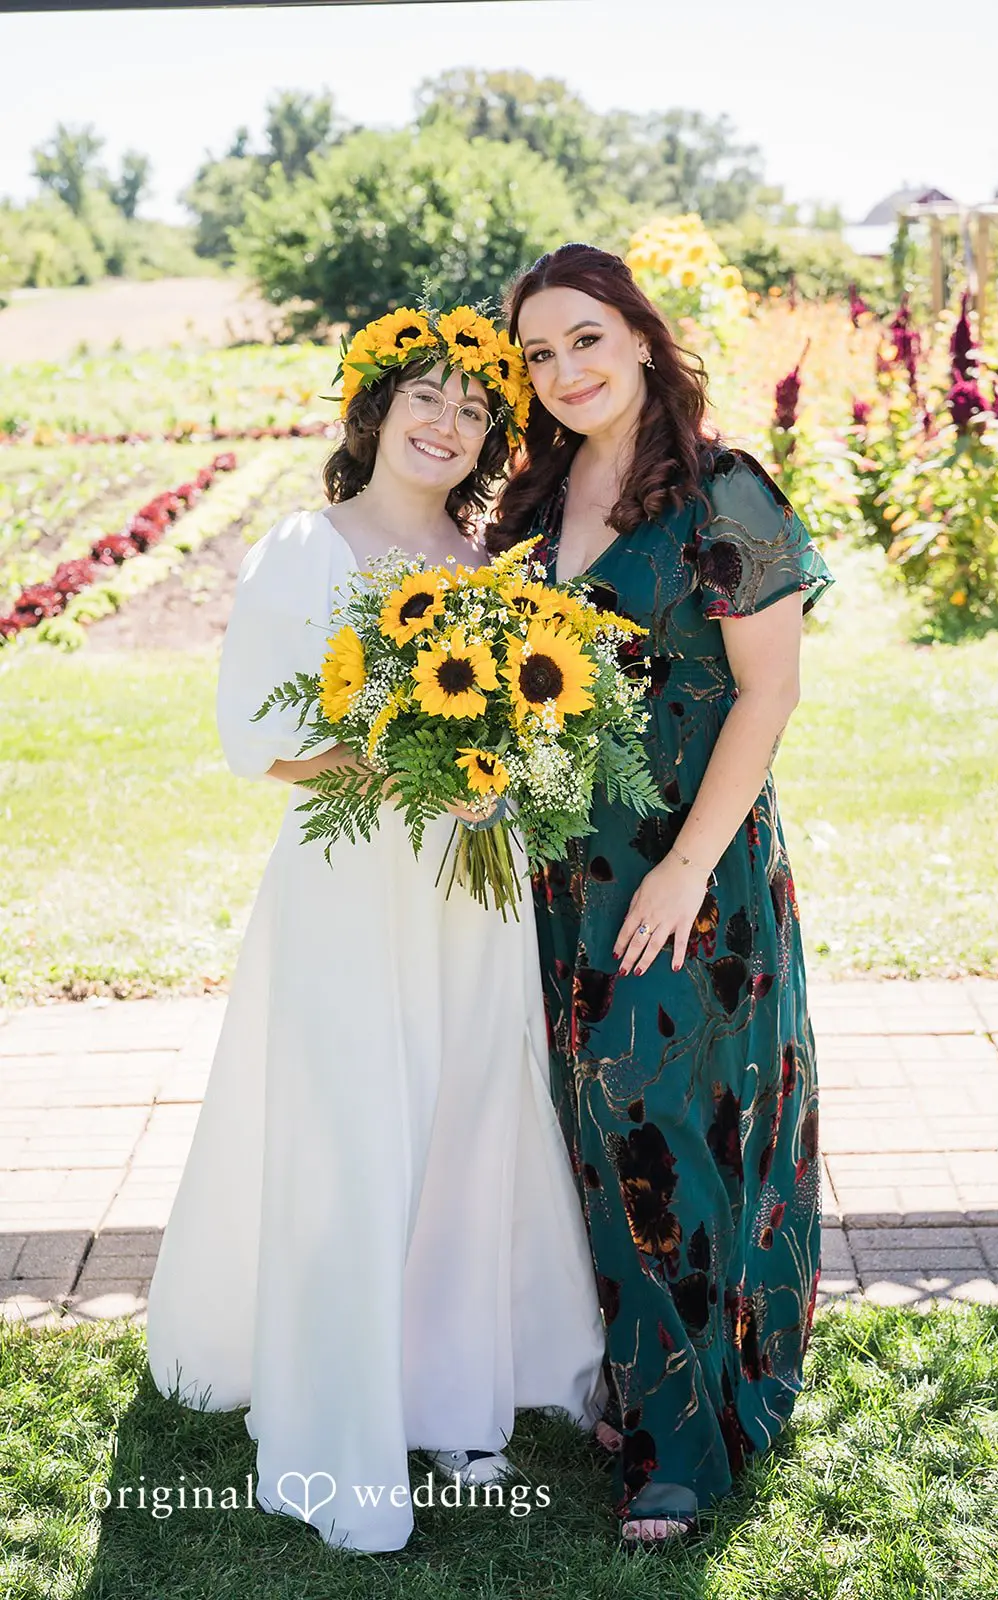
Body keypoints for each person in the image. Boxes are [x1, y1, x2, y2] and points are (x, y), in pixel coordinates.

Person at [147, 304, 604, 1556]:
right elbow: (258, 736)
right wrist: (405, 761)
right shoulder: (305, 547)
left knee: (464, 1122)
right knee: (354, 1131)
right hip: (351, 887)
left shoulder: (492, 564)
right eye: (425, 398)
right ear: (375, 410)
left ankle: (452, 1394)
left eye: (473, 408)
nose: (446, 423)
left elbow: (534, 728)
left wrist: (499, 771)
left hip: (470, 886)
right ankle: (336, 1403)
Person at [487, 244, 833, 1547]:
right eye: (538, 353)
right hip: (561, 870)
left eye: (585, 338)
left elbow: (767, 689)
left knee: (655, 1114)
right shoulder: (531, 502)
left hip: (693, 867)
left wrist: (684, 869)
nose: (563, 369)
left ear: (638, 335)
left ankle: (680, 1450)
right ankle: (642, 1381)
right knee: (588, 1121)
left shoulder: (722, 489)